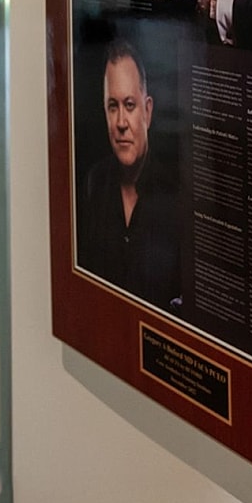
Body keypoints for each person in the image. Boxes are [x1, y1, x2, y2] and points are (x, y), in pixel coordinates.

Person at [78, 40, 180, 310]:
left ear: (147, 111)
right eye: (113, 106)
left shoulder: (176, 194)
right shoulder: (94, 184)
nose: (121, 122)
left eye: (130, 105)